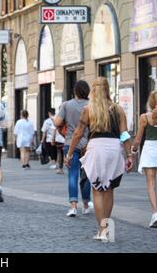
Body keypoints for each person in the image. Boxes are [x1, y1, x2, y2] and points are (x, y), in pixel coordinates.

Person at [65, 77, 133, 241]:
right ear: (108, 89)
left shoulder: (89, 109)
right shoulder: (118, 110)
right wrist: (129, 154)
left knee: (97, 188)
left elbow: (78, 133)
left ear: (93, 91)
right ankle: (106, 228)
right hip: (114, 149)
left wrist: (69, 154)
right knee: (109, 189)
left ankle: (102, 230)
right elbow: (124, 134)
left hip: (96, 148)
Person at [54, 80, 93, 217]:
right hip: (89, 144)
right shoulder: (91, 105)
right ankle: (87, 204)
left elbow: (57, 122)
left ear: (75, 91)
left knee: (73, 174)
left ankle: (73, 206)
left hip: (71, 143)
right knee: (87, 175)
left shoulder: (66, 105)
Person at [132, 91, 157, 228]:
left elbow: (138, 139)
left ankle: (155, 214)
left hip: (150, 150)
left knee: (151, 183)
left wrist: (133, 151)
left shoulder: (144, 117)